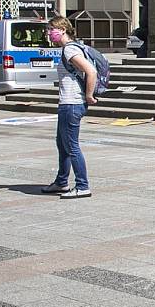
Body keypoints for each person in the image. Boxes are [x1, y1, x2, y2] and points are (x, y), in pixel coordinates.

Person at [42, 16, 97, 199]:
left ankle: (82, 185)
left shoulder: (70, 50)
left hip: (71, 103)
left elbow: (91, 71)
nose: (49, 33)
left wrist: (89, 96)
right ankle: (61, 182)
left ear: (63, 30)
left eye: (52, 29)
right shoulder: (71, 48)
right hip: (68, 103)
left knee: (72, 146)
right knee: (63, 144)